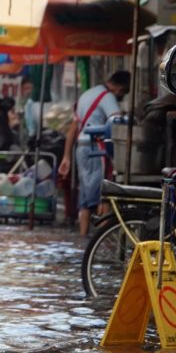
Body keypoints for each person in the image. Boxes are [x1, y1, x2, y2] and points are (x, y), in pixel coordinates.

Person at [58, 70, 131, 236]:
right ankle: (101, 238)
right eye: (124, 92)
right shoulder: (108, 97)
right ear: (120, 87)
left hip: (81, 147)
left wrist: (66, 156)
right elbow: (117, 121)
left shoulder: (87, 94)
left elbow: (73, 127)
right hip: (96, 148)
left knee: (85, 192)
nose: (122, 96)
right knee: (102, 192)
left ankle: (84, 236)